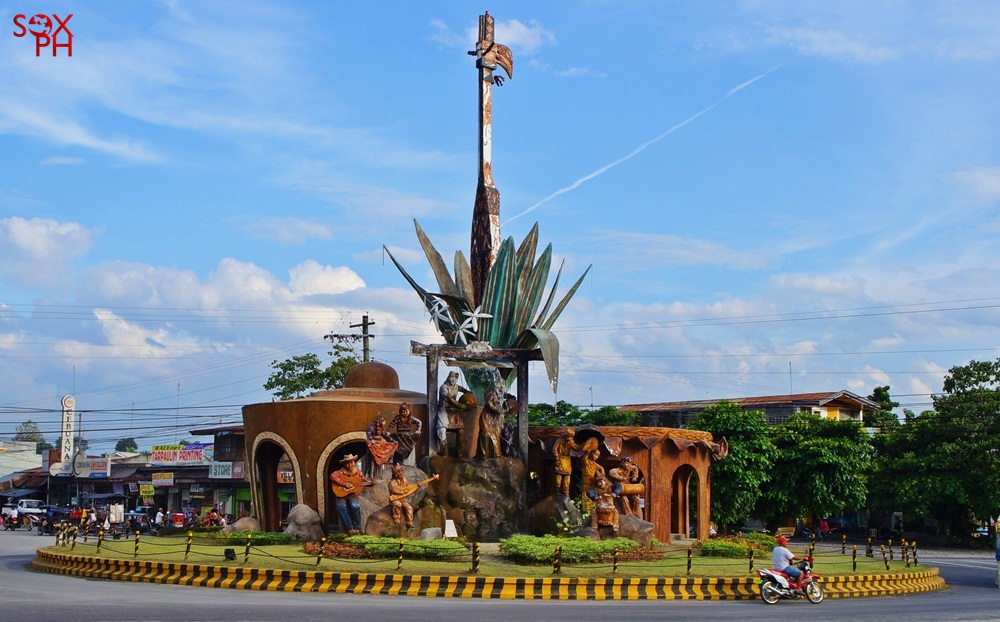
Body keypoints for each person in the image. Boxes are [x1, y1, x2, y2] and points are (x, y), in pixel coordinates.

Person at [330, 454, 369, 535]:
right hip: (341, 494)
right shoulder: (341, 472)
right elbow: (333, 476)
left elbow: (364, 480)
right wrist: (344, 483)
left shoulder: (358, 472)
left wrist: (370, 482)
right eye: (348, 463)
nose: (350, 465)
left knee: (355, 506)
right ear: (344, 464)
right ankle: (349, 528)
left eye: (352, 462)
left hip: (352, 494)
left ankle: (357, 527)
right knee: (341, 507)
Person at [435, 371, 472, 456]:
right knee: (441, 431)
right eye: (452, 377)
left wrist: (469, 394)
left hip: (453, 412)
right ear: (448, 377)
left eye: (455, 378)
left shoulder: (456, 387)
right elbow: (450, 400)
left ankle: (460, 454)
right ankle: (445, 454)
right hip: (443, 411)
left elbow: (463, 390)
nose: (453, 379)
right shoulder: (444, 388)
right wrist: (462, 406)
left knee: (461, 430)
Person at [552, 428, 582, 498]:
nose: (569, 439)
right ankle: (558, 492)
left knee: (567, 476)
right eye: (568, 437)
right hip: (560, 459)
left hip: (567, 460)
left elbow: (576, 447)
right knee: (558, 477)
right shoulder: (559, 440)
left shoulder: (571, 441)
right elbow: (554, 449)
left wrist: (583, 445)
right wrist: (557, 458)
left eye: (570, 437)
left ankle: (566, 492)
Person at [386, 464, 414, 529]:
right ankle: (396, 517)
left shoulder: (405, 480)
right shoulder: (392, 482)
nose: (400, 473)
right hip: (395, 499)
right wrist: (402, 492)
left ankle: (409, 521)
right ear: (395, 474)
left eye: (401, 471)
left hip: (403, 499)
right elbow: (394, 490)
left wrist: (408, 490)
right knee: (398, 504)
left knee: (409, 508)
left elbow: (407, 487)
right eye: (398, 472)